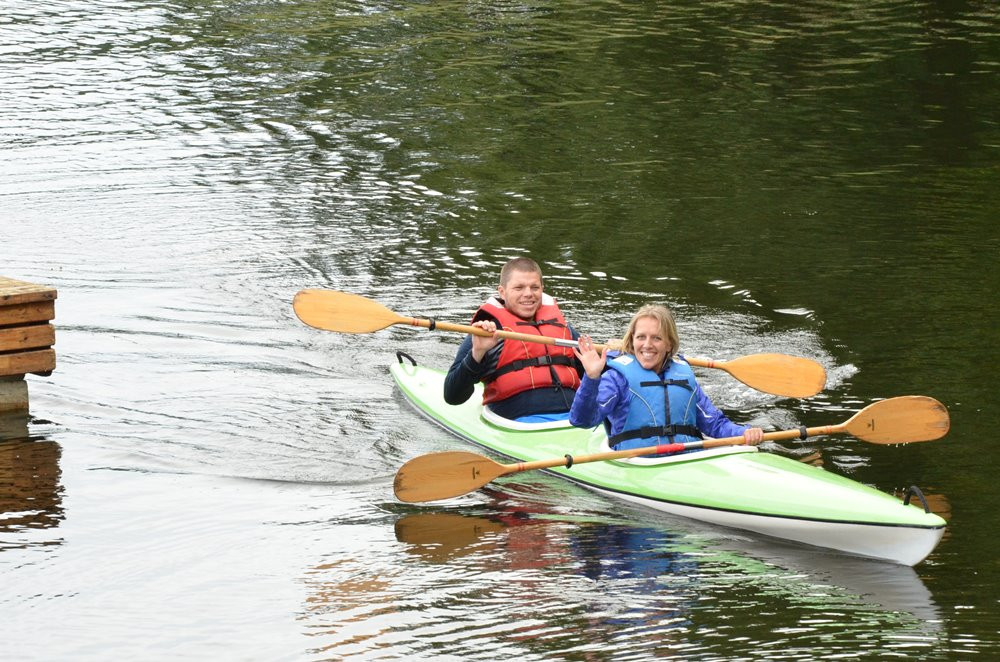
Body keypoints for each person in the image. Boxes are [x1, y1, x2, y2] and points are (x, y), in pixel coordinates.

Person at [569, 304, 764, 454]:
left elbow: (715, 424)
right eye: (641, 337)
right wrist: (592, 377)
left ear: (669, 344)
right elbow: (582, 420)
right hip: (637, 463)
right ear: (632, 340)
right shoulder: (617, 378)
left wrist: (744, 433)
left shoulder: (684, 376)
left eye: (656, 338)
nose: (647, 345)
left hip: (687, 460)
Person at [443, 257, 582, 421]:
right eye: (519, 288)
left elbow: (601, 376)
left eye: (535, 287)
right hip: (520, 424)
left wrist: (613, 352)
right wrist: (477, 353)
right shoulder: (488, 332)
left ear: (542, 289)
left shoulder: (564, 330)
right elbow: (452, 396)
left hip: (575, 420)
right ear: (502, 291)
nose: (528, 294)